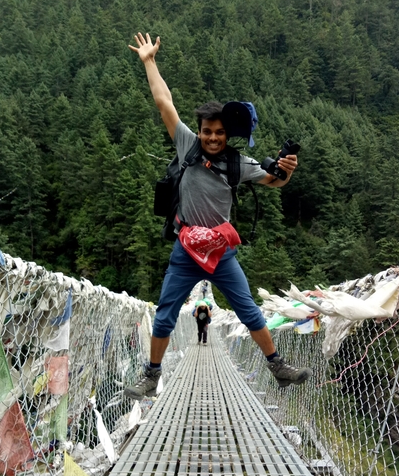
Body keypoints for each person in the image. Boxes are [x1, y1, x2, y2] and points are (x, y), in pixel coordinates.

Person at [124, 32, 312, 400]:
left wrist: (288, 168)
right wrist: (149, 61)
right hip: (186, 249)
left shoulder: (237, 162)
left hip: (221, 253)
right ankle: (151, 377)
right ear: (200, 132)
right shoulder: (187, 146)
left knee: (249, 311)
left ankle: (278, 368)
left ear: (228, 135)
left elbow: (275, 181)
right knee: (164, 315)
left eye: (219, 133)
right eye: (207, 132)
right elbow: (165, 102)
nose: (212, 137)